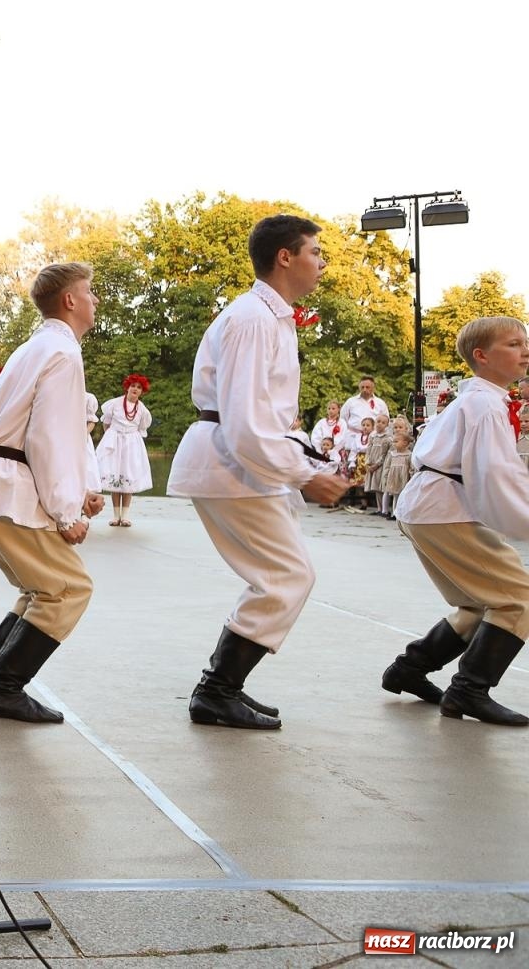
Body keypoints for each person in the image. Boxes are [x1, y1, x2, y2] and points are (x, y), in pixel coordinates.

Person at [166, 215, 349, 730]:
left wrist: (307, 460)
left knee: (282, 576)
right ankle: (216, 690)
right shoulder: (252, 318)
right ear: (285, 257)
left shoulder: (270, 317)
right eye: (315, 251)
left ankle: (222, 688)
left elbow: (261, 418)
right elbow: (245, 424)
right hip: (232, 464)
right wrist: (303, 474)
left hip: (241, 464)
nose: (321, 262)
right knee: (287, 576)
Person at [0, 263, 105, 722]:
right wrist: (66, 513)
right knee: (69, 588)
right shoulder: (62, 352)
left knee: (42, 587)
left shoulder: (36, 347)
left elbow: (56, 431)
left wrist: (82, 491)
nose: (95, 300)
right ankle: (2, 687)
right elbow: (48, 439)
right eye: (89, 292)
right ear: (70, 300)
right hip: (2, 490)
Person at [384, 317, 529, 725]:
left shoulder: (477, 399)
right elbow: (497, 475)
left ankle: (410, 669)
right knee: (518, 597)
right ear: (481, 357)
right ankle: (469, 690)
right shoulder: (484, 404)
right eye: (514, 344)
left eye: (526, 342)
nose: (525, 350)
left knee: (479, 602)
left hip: (429, 508)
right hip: (443, 510)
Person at [95, 374, 153, 527]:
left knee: (128, 477)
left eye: (139, 387)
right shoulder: (114, 404)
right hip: (115, 441)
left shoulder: (142, 410)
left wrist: (131, 442)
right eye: (133, 385)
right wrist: (112, 436)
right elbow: (106, 423)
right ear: (127, 387)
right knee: (116, 477)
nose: (135, 389)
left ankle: (125, 516)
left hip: (131, 444)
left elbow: (141, 429)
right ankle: (115, 516)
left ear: (142, 391)